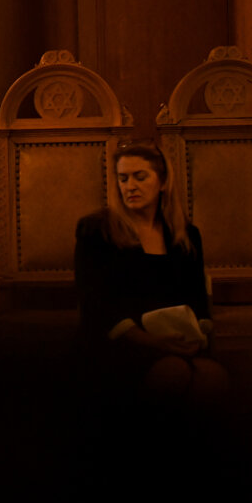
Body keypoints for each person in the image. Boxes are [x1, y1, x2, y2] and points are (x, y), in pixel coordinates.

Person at [73, 139, 227, 402]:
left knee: (212, 377)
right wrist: (154, 343)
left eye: (140, 177)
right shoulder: (96, 230)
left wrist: (195, 336)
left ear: (163, 182)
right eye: (123, 179)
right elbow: (95, 306)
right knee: (172, 373)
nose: (130, 186)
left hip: (176, 341)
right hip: (122, 343)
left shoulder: (187, 235)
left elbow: (197, 297)